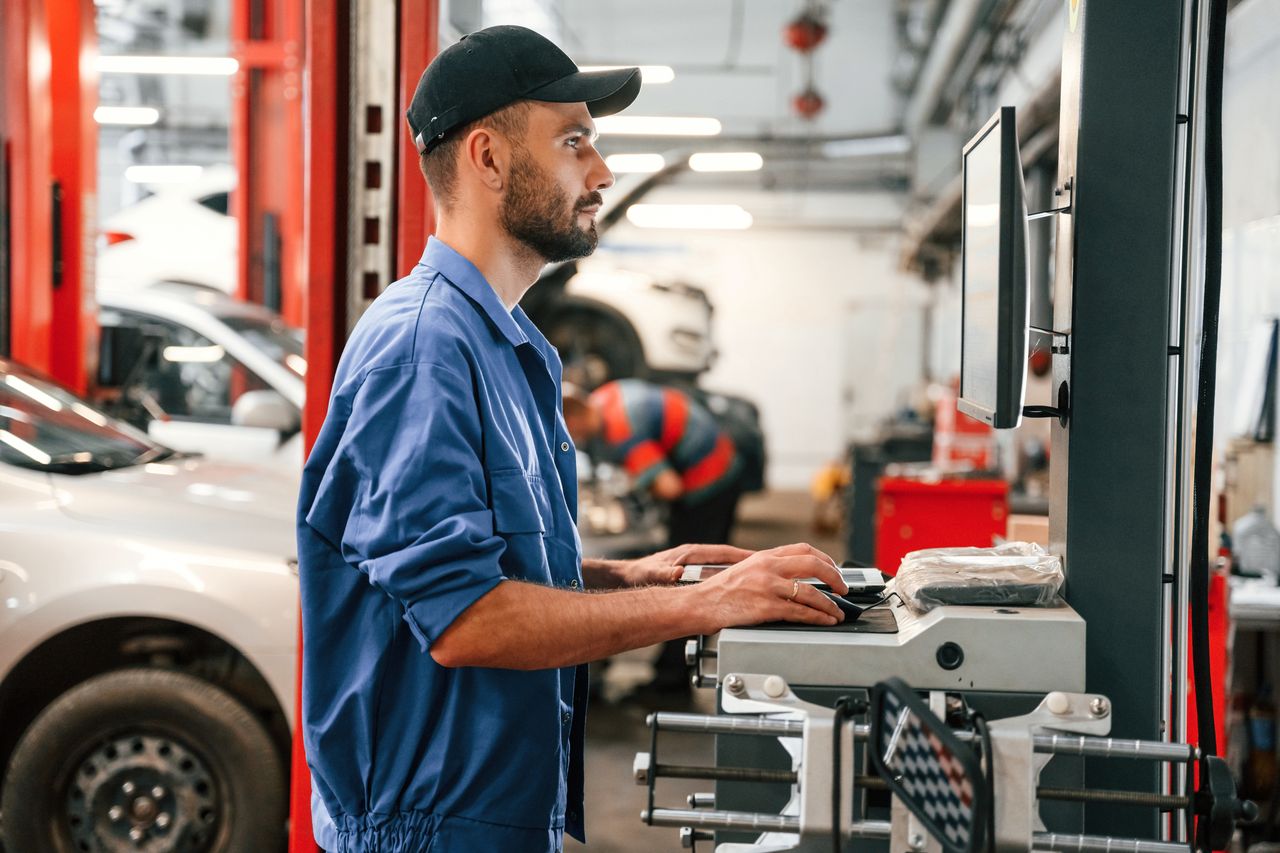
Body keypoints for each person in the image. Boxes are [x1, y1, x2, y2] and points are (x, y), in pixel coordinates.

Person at [295, 25, 848, 853]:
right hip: (432, 830)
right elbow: (468, 618)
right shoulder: (422, 348)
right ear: (486, 158)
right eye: (575, 141)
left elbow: (498, 568)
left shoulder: (511, 349)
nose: (601, 171)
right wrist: (705, 603)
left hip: (498, 809)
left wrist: (631, 577)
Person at [564, 379, 746, 700]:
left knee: (686, 575)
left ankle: (672, 680)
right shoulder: (605, 396)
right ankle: (675, 671)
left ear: (573, 418)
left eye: (567, 432)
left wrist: (636, 479)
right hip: (721, 455)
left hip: (709, 477)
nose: (571, 441)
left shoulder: (622, 431)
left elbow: (668, 487)